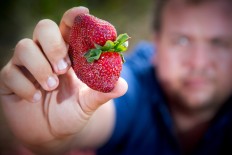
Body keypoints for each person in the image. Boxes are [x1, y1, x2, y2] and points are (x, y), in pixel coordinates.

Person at [0, 0, 232, 154]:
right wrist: (54, 135)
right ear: (156, 45)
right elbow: (105, 107)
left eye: (219, 42)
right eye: (181, 40)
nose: (199, 62)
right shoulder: (135, 84)